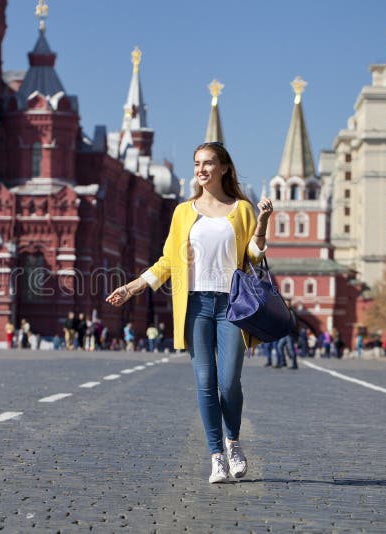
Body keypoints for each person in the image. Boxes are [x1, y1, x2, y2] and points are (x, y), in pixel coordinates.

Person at [106, 142, 271, 484]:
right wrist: (132, 287)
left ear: (224, 168)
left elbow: (254, 255)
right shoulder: (183, 212)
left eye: (208, 163)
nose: (201, 169)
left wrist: (263, 222)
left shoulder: (241, 209)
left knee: (229, 382)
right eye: (197, 163)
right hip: (195, 306)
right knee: (205, 382)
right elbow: (168, 260)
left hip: (232, 306)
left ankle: (233, 442)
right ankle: (216, 457)